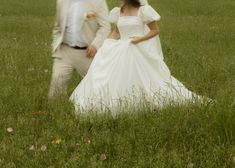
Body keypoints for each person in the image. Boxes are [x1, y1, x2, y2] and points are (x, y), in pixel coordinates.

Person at [70, 0, 202, 113]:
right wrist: (106, 44)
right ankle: (118, 100)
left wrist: (139, 39)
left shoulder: (143, 11)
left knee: (142, 76)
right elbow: (116, 32)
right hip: (122, 48)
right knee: (116, 76)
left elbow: (155, 30)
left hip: (137, 48)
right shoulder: (119, 11)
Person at [48, 0, 111, 98]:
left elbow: (105, 27)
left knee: (95, 88)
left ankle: (92, 111)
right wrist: (55, 46)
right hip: (65, 51)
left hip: (88, 53)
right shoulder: (61, 1)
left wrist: (95, 45)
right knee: (56, 86)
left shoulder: (98, 2)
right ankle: (54, 111)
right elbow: (57, 27)